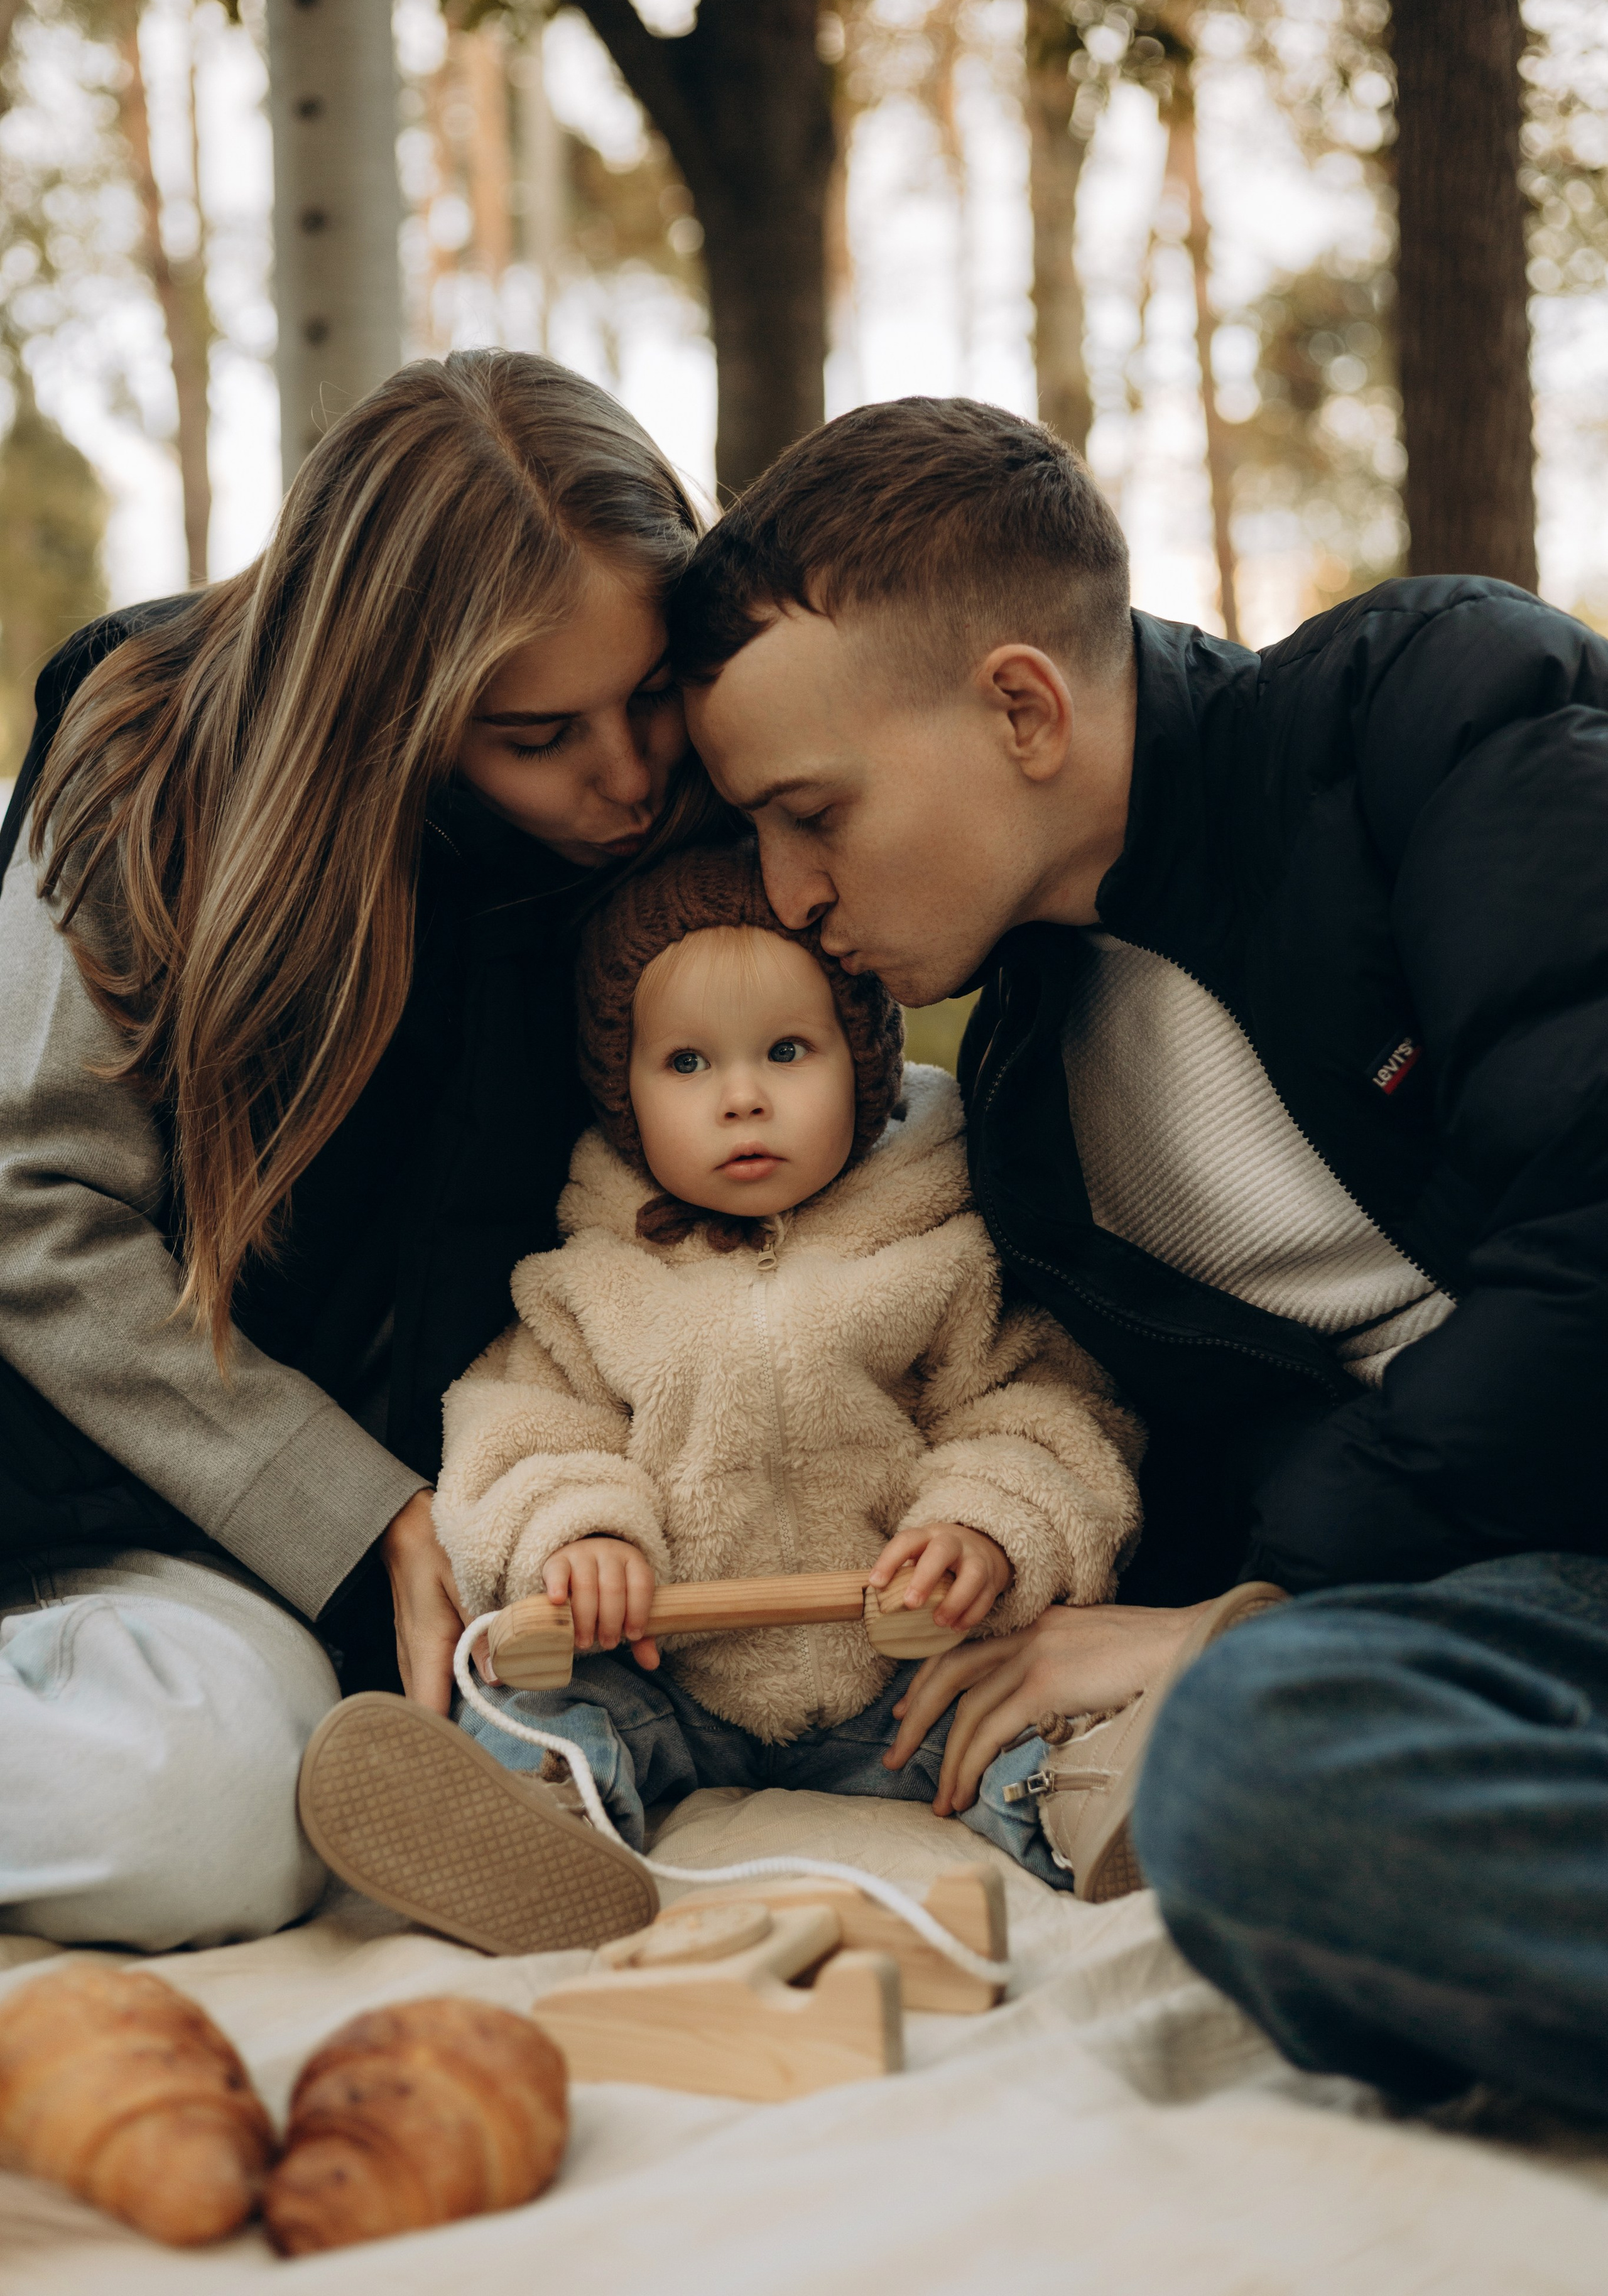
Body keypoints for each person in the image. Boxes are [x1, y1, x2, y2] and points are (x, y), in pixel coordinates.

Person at [666, 393, 1608, 2116]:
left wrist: (1261, 1607)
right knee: (1251, 1779)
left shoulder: (1429, 712)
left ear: (1021, 705)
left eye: (812, 813)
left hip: (1495, 1545)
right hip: (1510, 1633)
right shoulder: (1025, 1105)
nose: (789, 892)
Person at [0, 349, 705, 1953]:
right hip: (73, 1503)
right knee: (203, 1813)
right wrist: (360, 1512)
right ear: (387, 704)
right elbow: (27, 1215)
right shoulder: (145, 758)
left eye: (650, 693)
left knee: (272, 1788)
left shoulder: (669, 813)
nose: (626, 776)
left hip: (395, 1542)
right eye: (538, 734)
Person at [293, 841, 1145, 1952]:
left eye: (787, 1051)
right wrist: (581, 1533)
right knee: (547, 1700)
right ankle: (537, 1820)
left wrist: (981, 1527)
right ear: (622, 1091)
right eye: (687, 1065)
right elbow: (519, 1432)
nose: (742, 1098)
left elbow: (1037, 1410)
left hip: (897, 1669)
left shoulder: (940, 1240)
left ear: (866, 1062)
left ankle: (1110, 1808)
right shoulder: (587, 1273)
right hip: (670, 1671)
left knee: (1027, 1713)